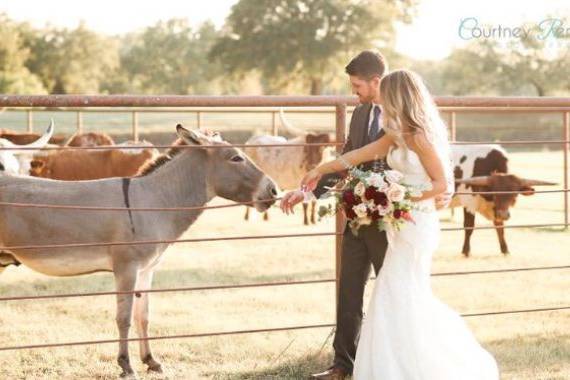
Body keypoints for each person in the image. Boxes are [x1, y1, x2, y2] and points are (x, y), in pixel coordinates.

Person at [300, 69, 499, 379]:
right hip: (401, 221)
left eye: (386, 96)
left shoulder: (419, 136)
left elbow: (441, 183)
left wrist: (398, 199)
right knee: (396, 291)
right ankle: (393, 366)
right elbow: (358, 155)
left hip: (417, 223)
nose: (381, 101)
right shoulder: (395, 133)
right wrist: (319, 169)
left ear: (397, 97)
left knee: (398, 289)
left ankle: (418, 365)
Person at [281, 51, 452, 380]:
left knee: (398, 293)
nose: (354, 92)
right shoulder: (367, 119)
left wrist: (411, 198)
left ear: (381, 85)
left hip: (399, 222)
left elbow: (439, 175)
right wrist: (313, 179)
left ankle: (409, 363)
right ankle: (346, 364)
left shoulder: (415, 130)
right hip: (362, 214)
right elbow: (352, 157)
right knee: (354, 291)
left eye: (358, 86)